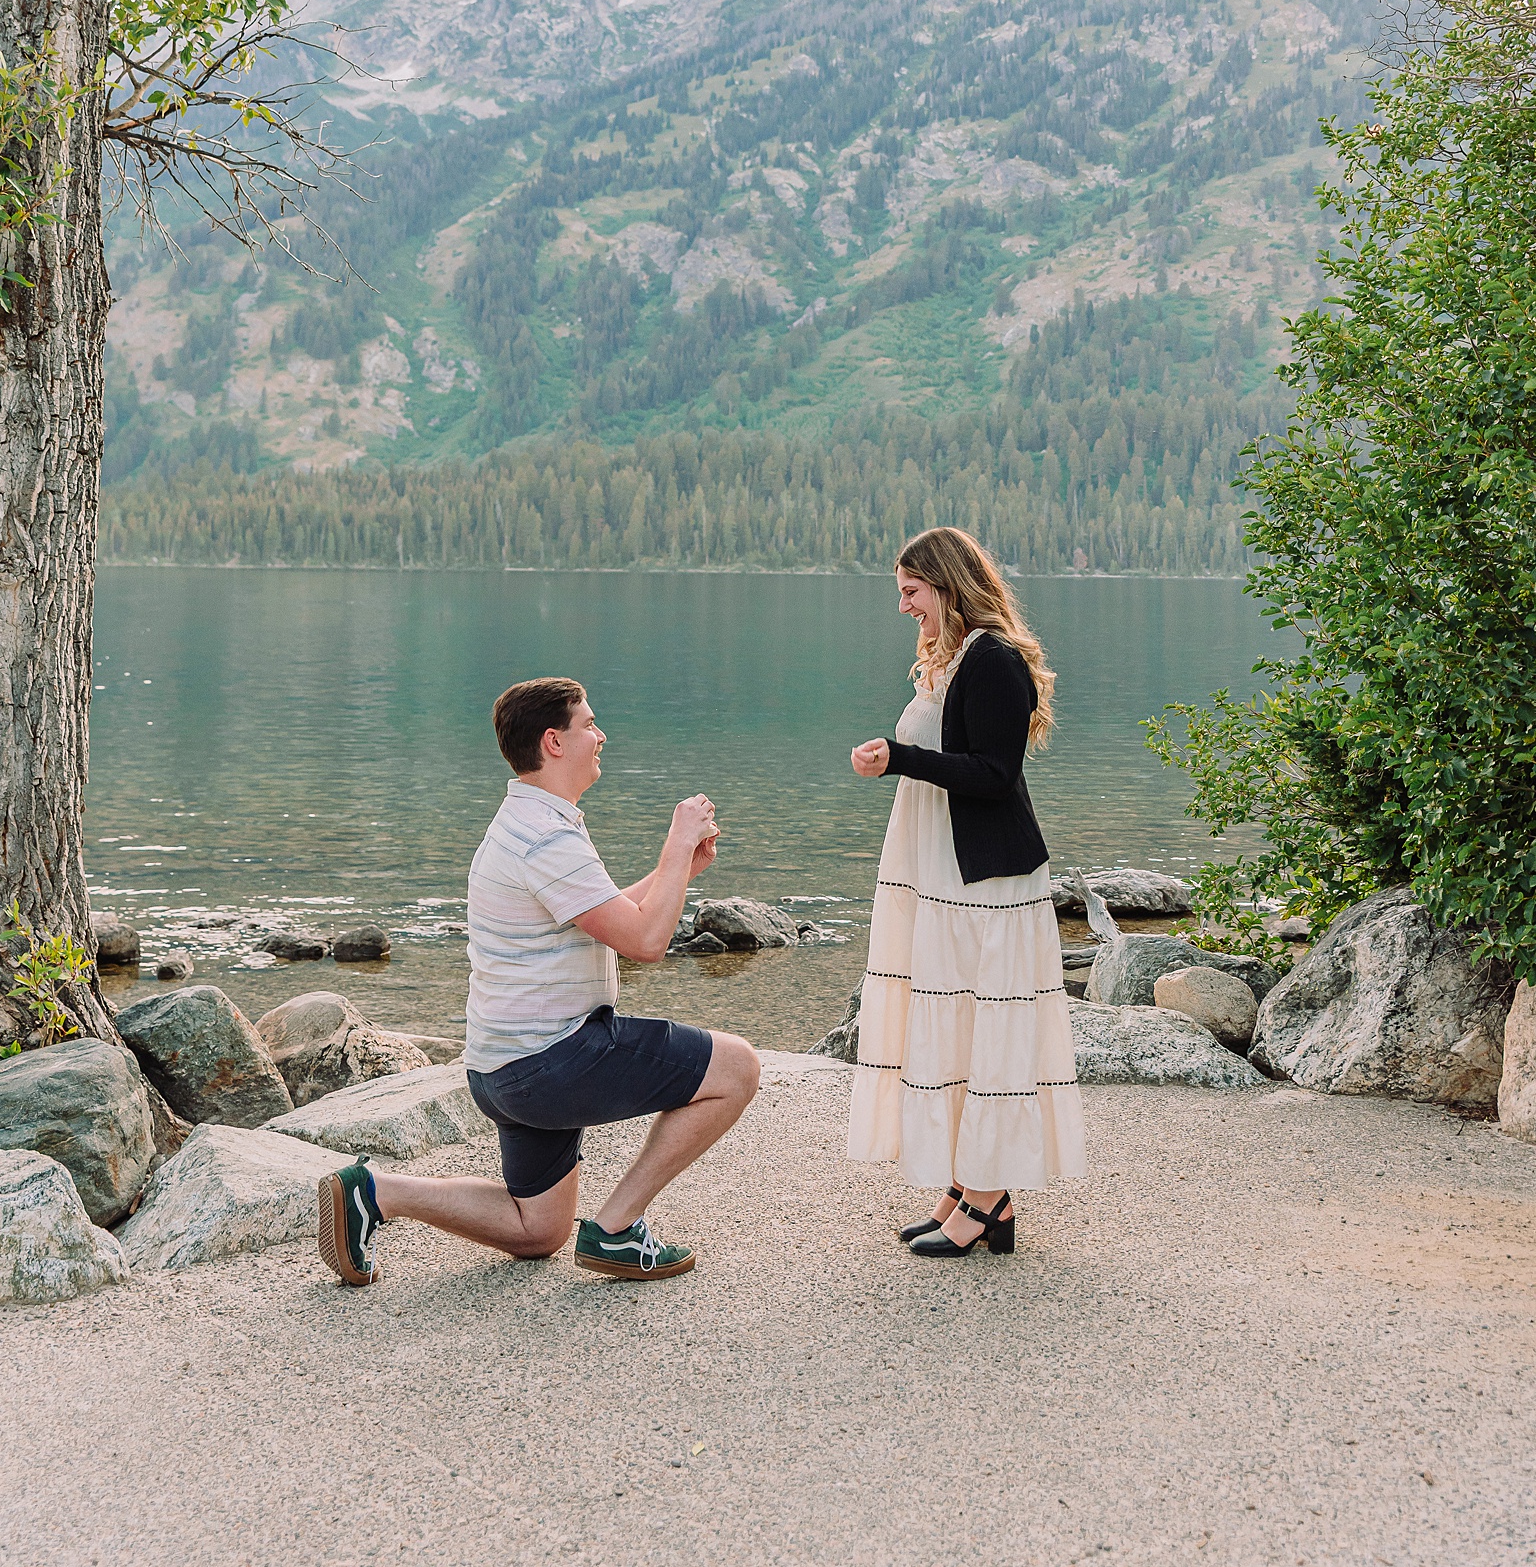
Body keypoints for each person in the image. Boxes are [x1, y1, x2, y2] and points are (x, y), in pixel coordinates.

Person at [317, 675, 760, 1287]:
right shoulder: (547, 837)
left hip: (501, 1069)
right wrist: (674, 848)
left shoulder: (528, 822)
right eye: (589, 726)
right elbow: (646, 944)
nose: (601, 737)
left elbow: (599, 917)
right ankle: (617, 1229)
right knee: (736, 1067)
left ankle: (376, 1191)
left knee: (538, 1230)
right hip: (552, 1060)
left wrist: (675, 873)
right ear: (554, 741)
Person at [845, 526, 1084, 1255]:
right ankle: (968, 1185)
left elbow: (993, 774)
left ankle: (987, 1197)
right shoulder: (949, 660)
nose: (903, 605)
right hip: (943, 874)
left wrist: (900, 759)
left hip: (988, 880)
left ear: (947, 584)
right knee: (951, 1020)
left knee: (990, 1028)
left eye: (911, 590)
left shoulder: (994, 659)